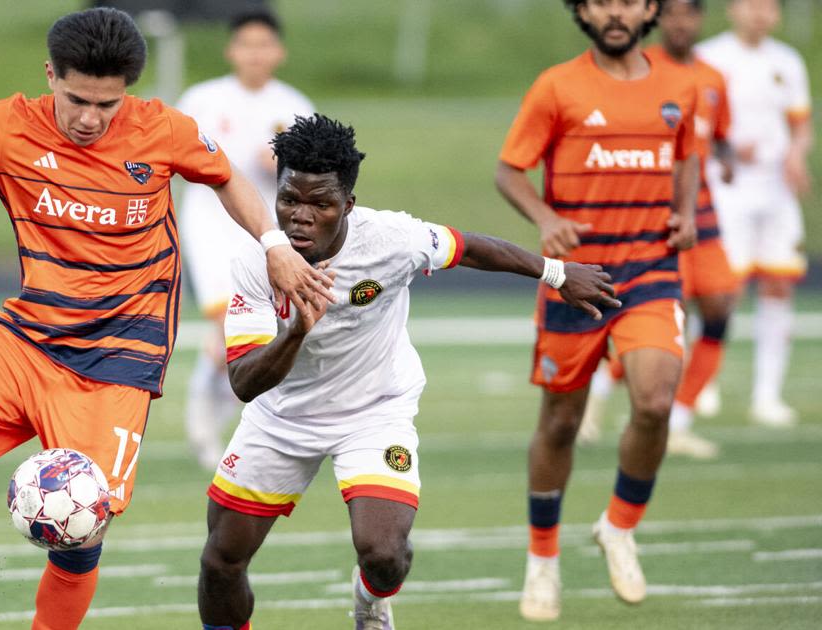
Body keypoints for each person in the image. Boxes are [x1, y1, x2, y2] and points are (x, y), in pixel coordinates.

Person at [0, 8, 333, 629]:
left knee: (80, 526)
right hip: (31, 333)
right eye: (78, 99)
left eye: (106, 105)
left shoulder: (161, 129)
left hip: (121, 357)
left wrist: (274, 246)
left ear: (126, 94)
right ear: (50, 74)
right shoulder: (6, 127)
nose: (90, 118)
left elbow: (228, 178)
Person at [197, 114, 619, 630]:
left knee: (384, 553)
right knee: (221, 561)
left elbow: (471, 247)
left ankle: (370, 599)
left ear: (347, 205)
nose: (301, 217)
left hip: (375, 412)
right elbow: (243, 383)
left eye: (321, 204)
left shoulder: (392, 238)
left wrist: (555, 273)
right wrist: (297, 331)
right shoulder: (252, 260)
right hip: (280, 418)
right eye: (289, 200)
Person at [495, 0, 701, 620]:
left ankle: (619, 525)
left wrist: (686, 212)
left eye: (630, 1)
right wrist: (547, 218)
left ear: (650, 11)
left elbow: (687, 155)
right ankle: (543, 561)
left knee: (656, 401)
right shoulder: (557, 86)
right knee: (560, 423)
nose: (616, 12)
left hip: (651, 273)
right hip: (575, 281)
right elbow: (509, 171)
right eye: (601, 1)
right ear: (582, 12)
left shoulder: (682, 88)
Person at [579, 0, 740, 460]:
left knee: (721, 305)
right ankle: (597, 399)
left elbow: (718, 136)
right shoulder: (642, 71)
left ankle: (682, 419)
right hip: (652, 217)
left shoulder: (713, 78)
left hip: (701, 213)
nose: (680, 22)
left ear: (700, 19)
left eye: (689, 13)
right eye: (671, 14)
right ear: (656, 19)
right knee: (658, 317)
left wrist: (728, 161)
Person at [176, 8, 314, 470]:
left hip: (266, 233)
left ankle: (220, 413)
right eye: (246, 45)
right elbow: (176, 154)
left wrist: (286, 167)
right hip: (210, 226)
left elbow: (314, 177)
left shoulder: (295, 106)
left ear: (279, 51)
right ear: (231, 49)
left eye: (264, 45)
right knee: (228, 323)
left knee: (256, 333)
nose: (255, 54)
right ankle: (204, 414)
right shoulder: (202, 99)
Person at [697, 0, 813, 427]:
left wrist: (798, 156)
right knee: (722, 290)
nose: (759, 13)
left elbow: (801, 126)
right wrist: (725, 149)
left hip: (777, 189)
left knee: (779, 286)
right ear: (732, 9)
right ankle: (703, 382)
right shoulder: (710, 56)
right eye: (751, 4)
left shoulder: (787, 61)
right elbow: (692, 127)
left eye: (768, 6)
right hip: (729, 187)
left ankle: (768, 395)